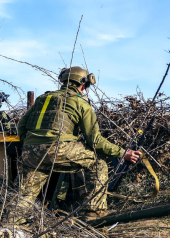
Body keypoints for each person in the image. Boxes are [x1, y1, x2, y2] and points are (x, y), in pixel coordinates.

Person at [15, 66, 140, 221]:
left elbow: (21, 126)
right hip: (59, 149)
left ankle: (11, 224)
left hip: (30, 151)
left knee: (25, 193)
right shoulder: (82, 105)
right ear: (83, 85)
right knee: (97, 164)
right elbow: (95, 141)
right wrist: (123, 153)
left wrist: (30, 145)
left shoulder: (42, 99)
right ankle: (94, 212)